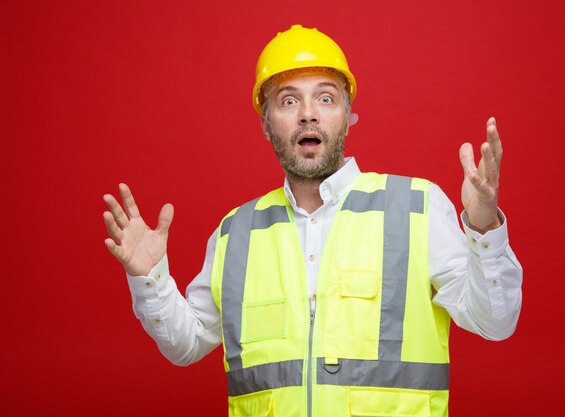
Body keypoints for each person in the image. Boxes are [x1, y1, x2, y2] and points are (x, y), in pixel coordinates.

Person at [103, 24, 522, 417]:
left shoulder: (418, 207)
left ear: (347, 114)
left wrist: (483, 228)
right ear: (267, 124)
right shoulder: (236, 233)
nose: (308, 114)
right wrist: (149, 278)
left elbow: (494, 322)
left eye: (325, 98)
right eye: (288, 100)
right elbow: (187, 344)